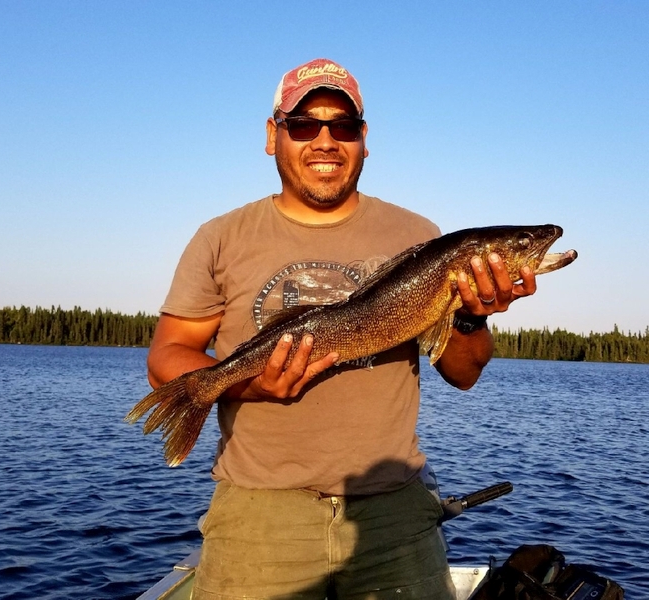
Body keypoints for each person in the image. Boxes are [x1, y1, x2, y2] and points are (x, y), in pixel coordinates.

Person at [146, 58, 538, 599]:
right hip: (258, 513)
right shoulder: (221, 237)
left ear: (363, 138)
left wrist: (472, 313)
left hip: (394, 514)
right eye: (305, 125)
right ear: (272, 135)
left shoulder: (417, 234)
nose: (325, 140)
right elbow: (168, 354)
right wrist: (244, 383)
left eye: (343, 126)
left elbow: (464, 374)